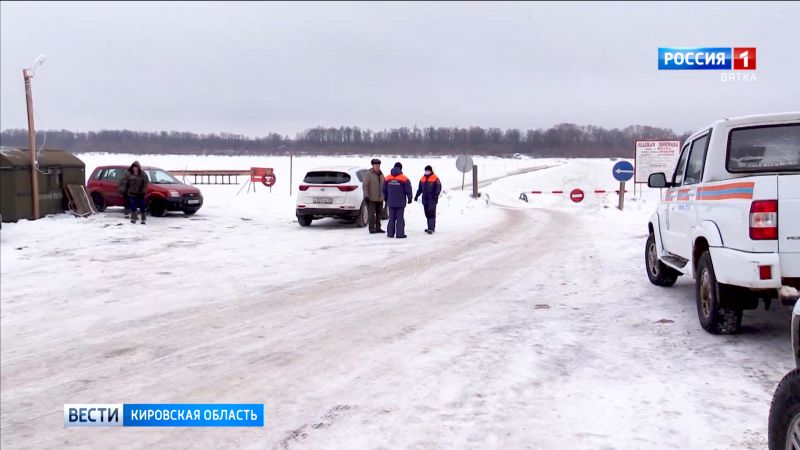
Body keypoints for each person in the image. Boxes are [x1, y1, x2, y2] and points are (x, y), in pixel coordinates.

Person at [382, 162, 412, 238]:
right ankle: (400, 234)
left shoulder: (387, 178)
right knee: (400, 218)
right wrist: (410, 198)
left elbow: (383, 189)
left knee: (391, 218)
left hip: (391, 202)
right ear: (401, 169)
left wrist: (386, 198)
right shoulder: (404, 179)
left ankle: (390, 234)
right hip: (400, 203)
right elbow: (408, 190)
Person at [414, 165, 442, 234]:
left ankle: (431, 228)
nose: (426, 172)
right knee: (427, 213)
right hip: (425, 199)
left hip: (432, 199)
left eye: (428, 170)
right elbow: (420, 188)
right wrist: (416, 196)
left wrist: (435, 196)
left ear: (431, 170)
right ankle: (429, 226)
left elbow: (438, 188)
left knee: (431, 213)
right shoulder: (422, 178)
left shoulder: (435, 178)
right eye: (426, 170)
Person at [362, 158, 385, 234]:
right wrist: (366, 196)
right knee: (371, 214)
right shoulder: (369, 174)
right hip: (371, 198)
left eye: (378, 165)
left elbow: (384, 185)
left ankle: (378, 227)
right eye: (376, 165)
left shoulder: (381, 174)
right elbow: (365, 186)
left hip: (380, 198)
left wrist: (385, 195)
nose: (377, 166)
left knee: (379, 214)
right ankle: (371, 228)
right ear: (373, 165)